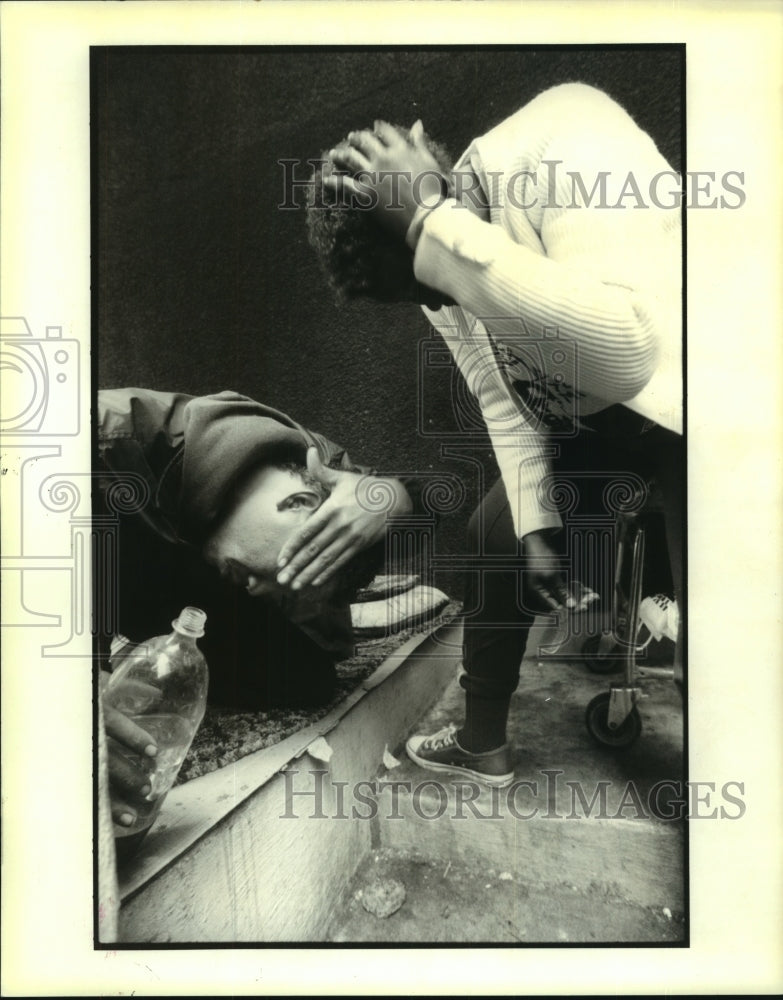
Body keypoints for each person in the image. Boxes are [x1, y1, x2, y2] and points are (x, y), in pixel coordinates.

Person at [300, 82, 683, 786]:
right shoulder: (434, 259)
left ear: (430, 177)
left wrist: (432, 230)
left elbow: (632, 352)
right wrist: (535, 526)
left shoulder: (567, 136)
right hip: (597, 429)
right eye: (425, 293)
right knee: (496, 531)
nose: (441, 301)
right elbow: (502, 395)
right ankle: (482, 745)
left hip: (706, 413)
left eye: (431, 282)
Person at [96, 386, 415, 826]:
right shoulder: (96, 445)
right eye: (282, 572)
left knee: (310, 676)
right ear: (298, 503)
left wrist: (391, 498)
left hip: (192, 575)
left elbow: (418, 498)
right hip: (85, 588)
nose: (258, 592)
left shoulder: (325, 480)